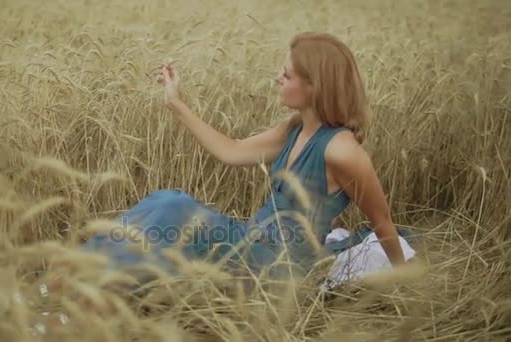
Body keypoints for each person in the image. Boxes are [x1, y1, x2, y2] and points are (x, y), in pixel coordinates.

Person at [80, 32, 411, 285]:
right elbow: (231, 151)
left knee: (174, 208)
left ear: (314, 87)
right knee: (165, 201)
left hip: (277, 267)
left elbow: (382, 221)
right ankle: (82, 272)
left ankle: (92, 284)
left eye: (287, 75)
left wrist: (402, 282)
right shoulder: (295, 129)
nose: (277, 80)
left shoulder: (342, 151)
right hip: (251, 241)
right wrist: (175, 104)